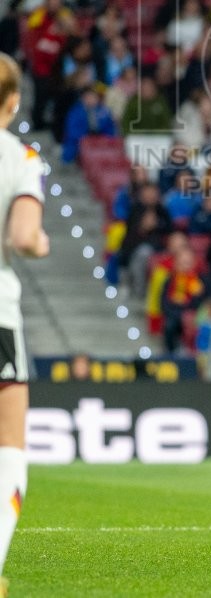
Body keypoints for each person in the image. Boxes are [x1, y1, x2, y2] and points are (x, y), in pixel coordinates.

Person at [0, 52, 51, 598]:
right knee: (9, 447)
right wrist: (41, 241)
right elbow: (23, 237)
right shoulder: (20, 156)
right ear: (12, 102)